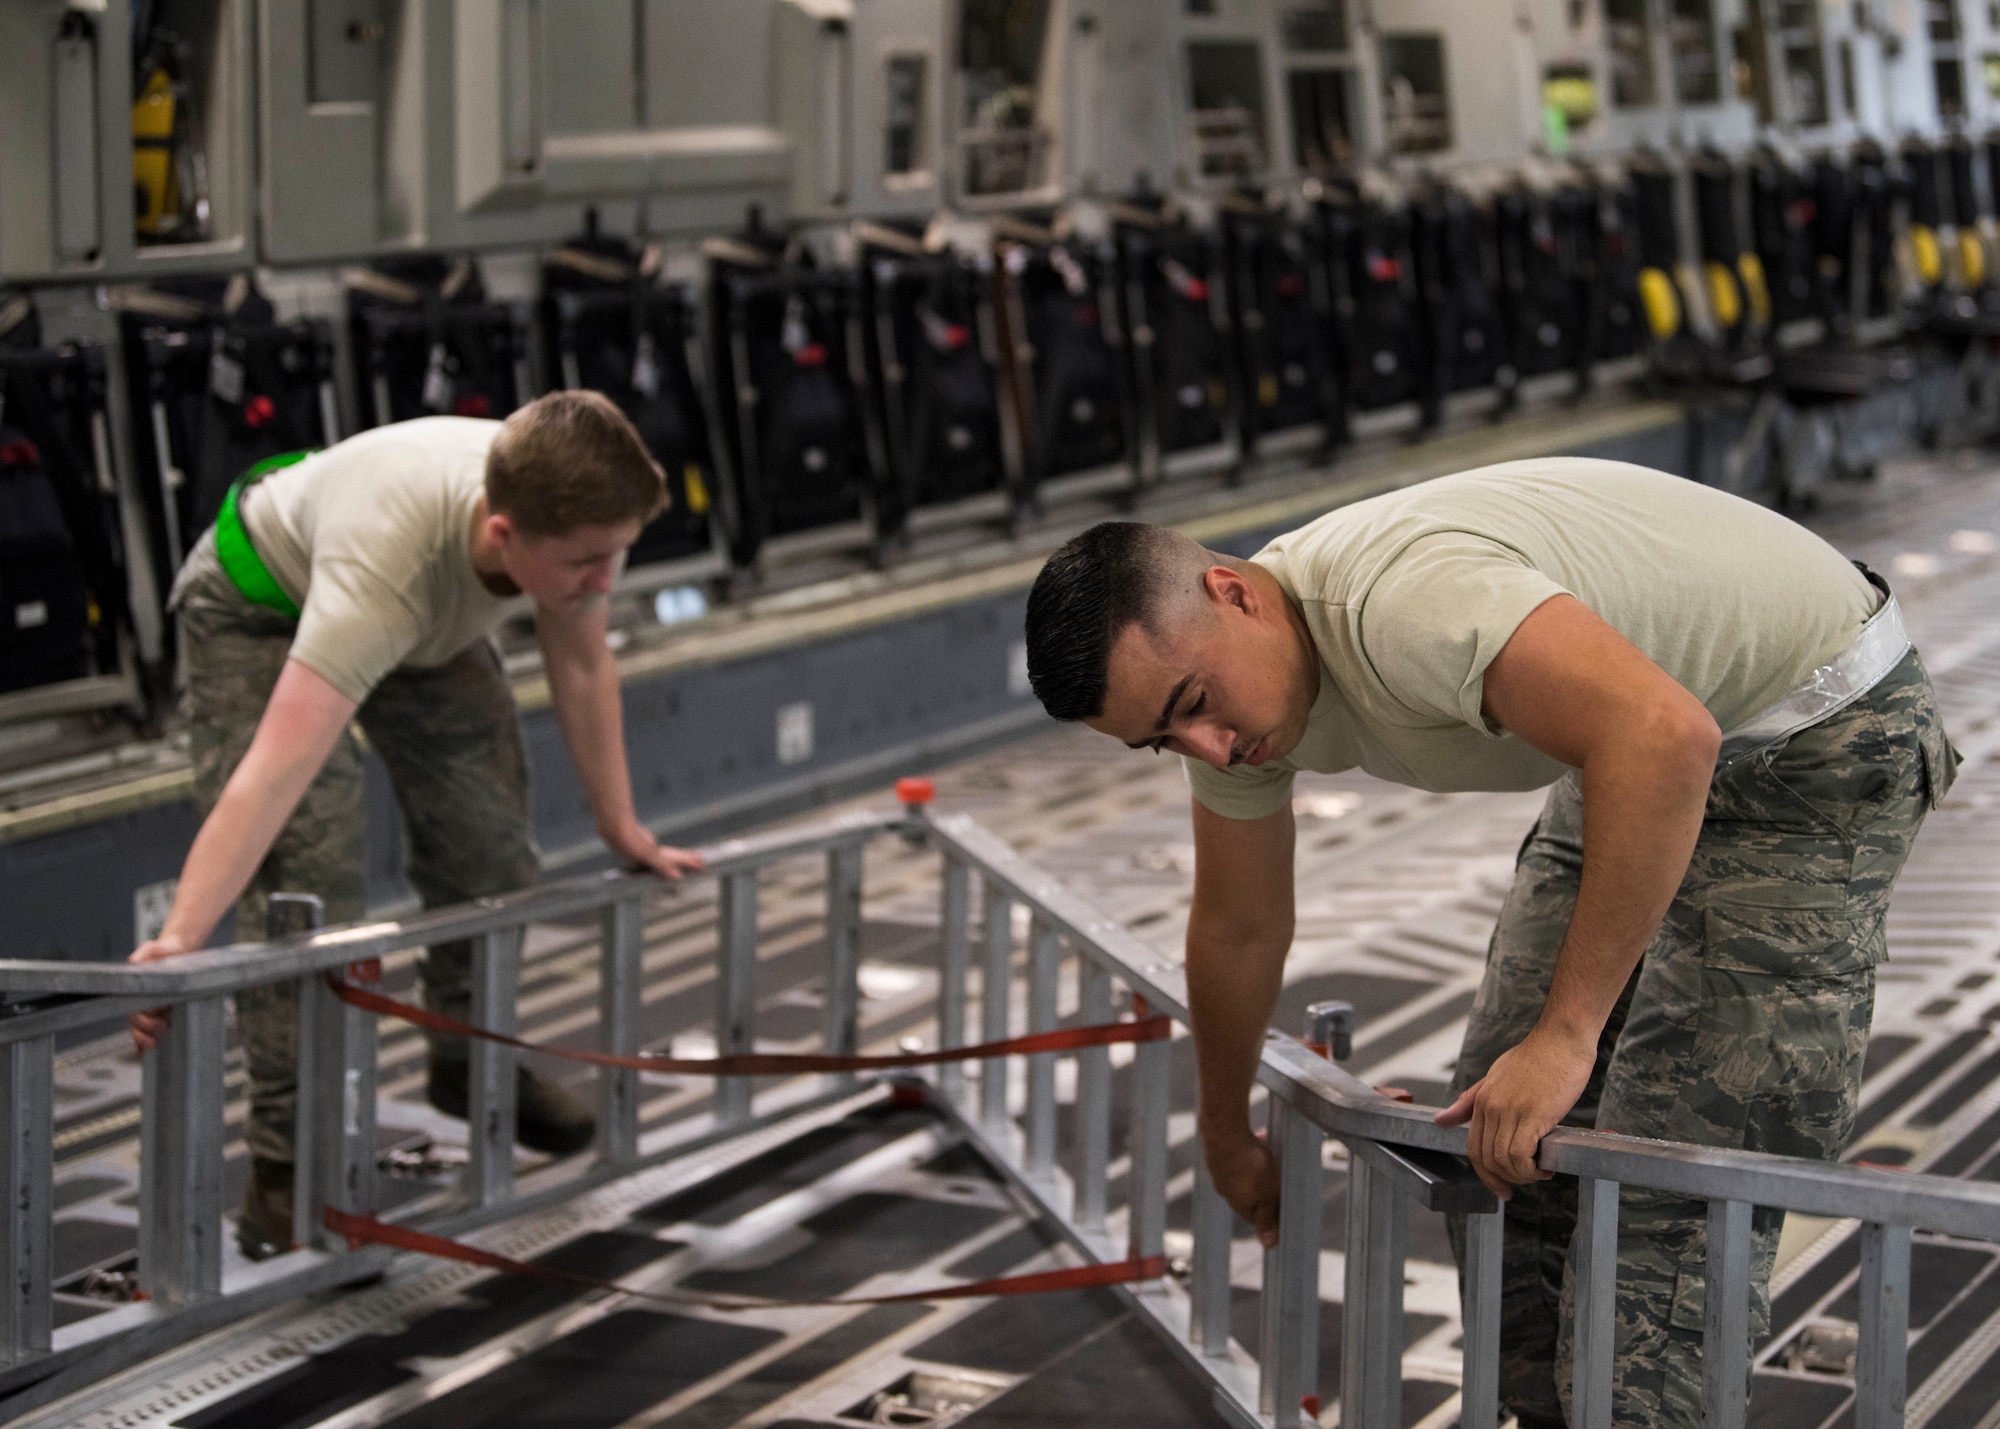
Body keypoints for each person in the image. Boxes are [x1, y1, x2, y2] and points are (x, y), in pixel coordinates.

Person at [1021, 457, 1955, 1428]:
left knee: (1667, 1206)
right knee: (1502, 1148)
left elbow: (1662, 735)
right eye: (1161, 742)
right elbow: (1236, 921)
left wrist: (1565, 1032)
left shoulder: (1400, 606)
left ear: (1233, 594)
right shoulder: (1244, 711)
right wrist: (1223, 1131)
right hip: (1643, 732)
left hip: (1810, 734)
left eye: (1190, 706)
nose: (1206, 750)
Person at [129, 392, 704, 1259]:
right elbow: (271, 776)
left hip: (425, 622)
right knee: (311, 887)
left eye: (616, 557)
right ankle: (289, 1169)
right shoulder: (383, 574)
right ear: (504, 532)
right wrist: (178, 939)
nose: (605, 584)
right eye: (588, 563)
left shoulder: (558, 505)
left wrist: (621, 826)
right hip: (264, 605)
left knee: (491, 842)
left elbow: (584, 664)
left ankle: (471, 1061)